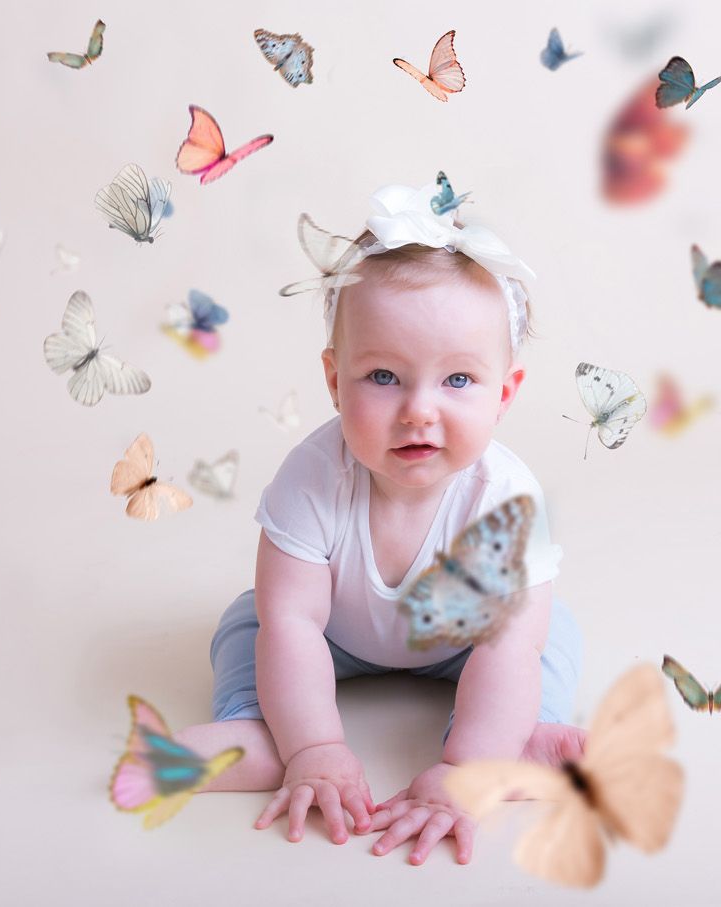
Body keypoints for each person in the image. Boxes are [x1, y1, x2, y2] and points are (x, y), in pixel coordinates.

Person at [175, 179, 584, 865]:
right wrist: (319, 748)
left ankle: (513, 739)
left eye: (457, 380)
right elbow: (296, 624)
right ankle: (266, 733)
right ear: (335, 381)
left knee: (542, 638)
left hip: (469, 644)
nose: (420, 410)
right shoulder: (312, 479)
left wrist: (461, 771)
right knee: (253, 623)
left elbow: (506, 649)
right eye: (384, 377)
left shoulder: (504, 499)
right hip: (334, 631)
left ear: (504, 393)